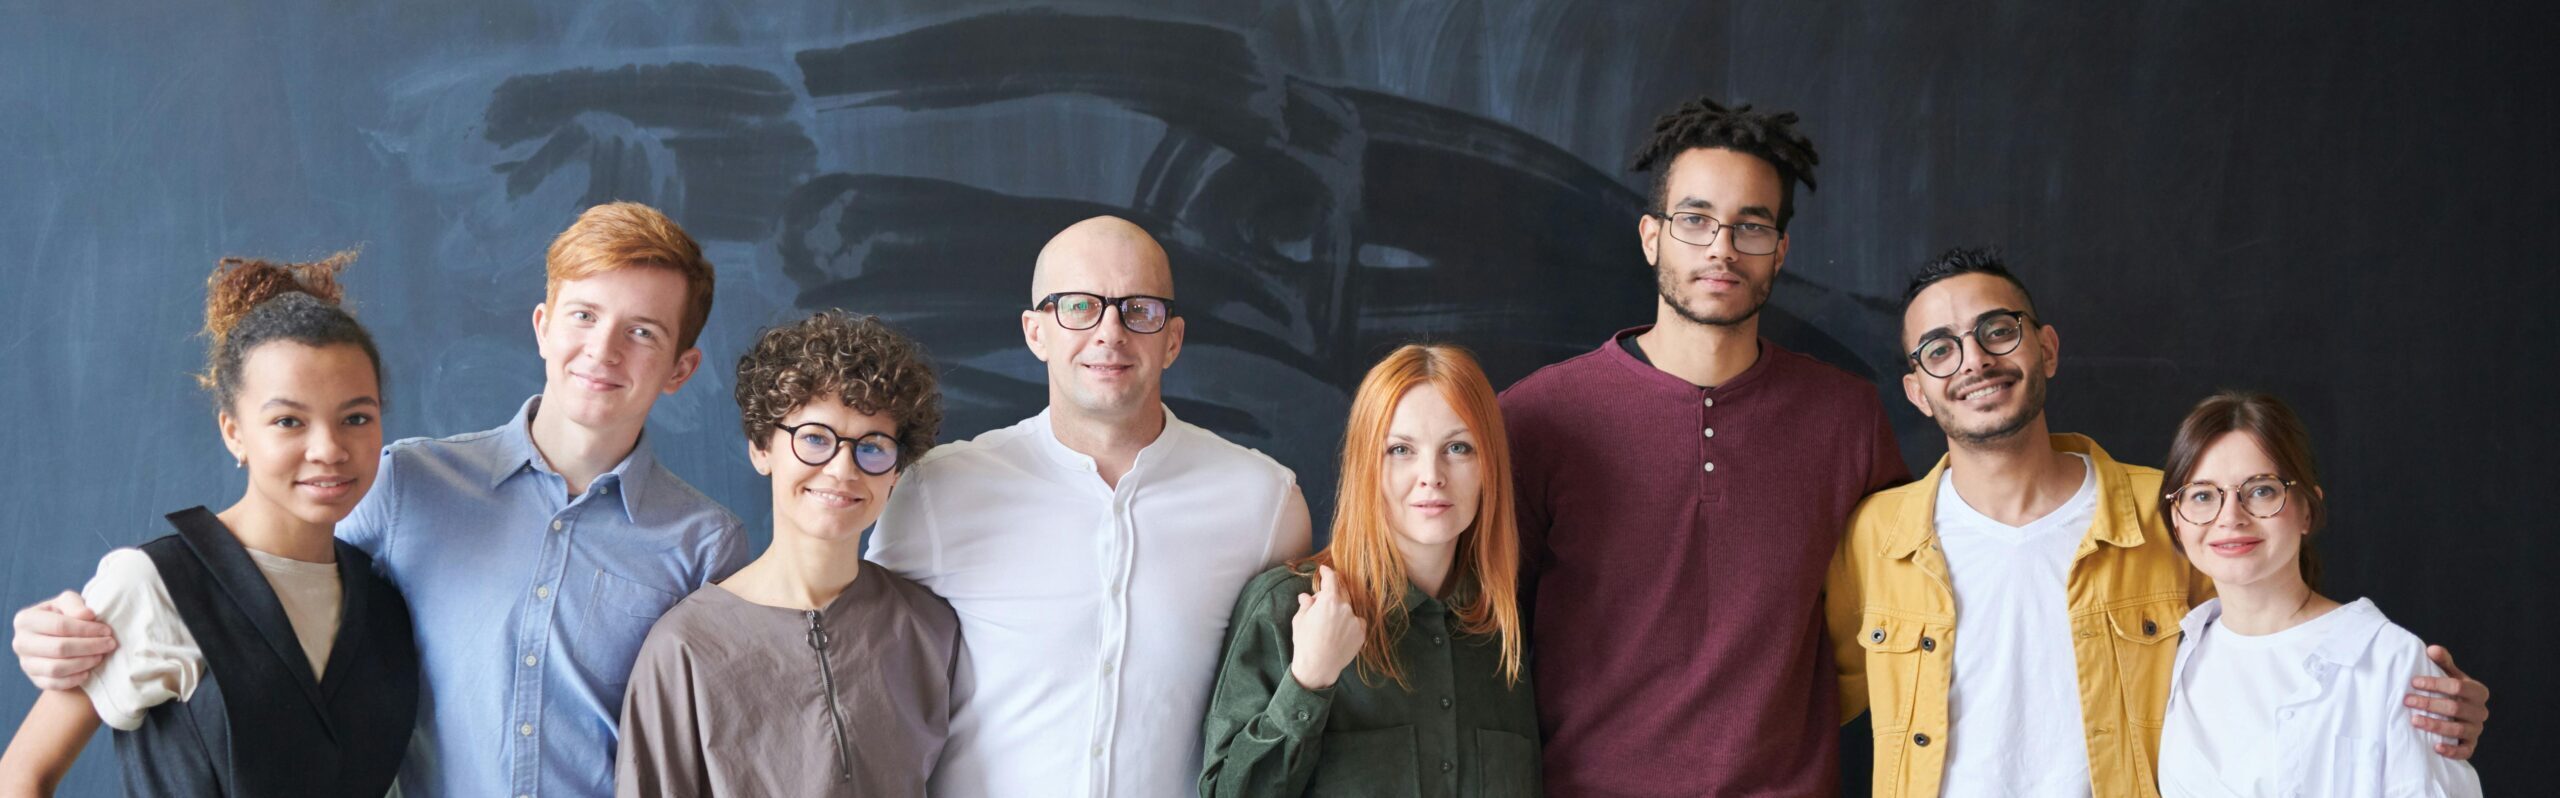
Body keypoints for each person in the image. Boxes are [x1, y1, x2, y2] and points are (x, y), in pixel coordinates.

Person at [11, 202, 751, 798]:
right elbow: (260, 573)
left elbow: (712, 749)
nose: (604, 349)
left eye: (642, 332)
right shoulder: (407, 484)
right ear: (542, 327)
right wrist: (74, 627)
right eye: (584, 315)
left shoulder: (705, 546)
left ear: (681, 369)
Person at [1825, 249, 2490, 796]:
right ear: (1916, 390)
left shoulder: (2169, 513)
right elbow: (1804, 703)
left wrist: (2412, 692)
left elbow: (2272, 645)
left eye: (1998, 331)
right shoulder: (1877, 536)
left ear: (2046, 349)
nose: (1974, 360)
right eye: (1939, 350)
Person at [1499, 97, 1906, 795]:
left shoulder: (1847, 417)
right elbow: (1482, 630)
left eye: (1751, 226)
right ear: (1651, 237)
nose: (1722, 247)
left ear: (1780, 252)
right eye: (1695, 220)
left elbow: (1900, 614)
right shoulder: (1538, 417)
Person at [864, 216, 1313, 797]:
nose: (1110, 332)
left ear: (1172, 339)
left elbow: (1279, 717)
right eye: (1079, 306)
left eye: (1139, 309)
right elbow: (867, 687)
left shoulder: (1264, 502)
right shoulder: (936, 491)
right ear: (1036, 332)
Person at [0, 254, 417, 796]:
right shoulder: (157, 583)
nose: (329, 449)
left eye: (356, 418)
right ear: (234, 432)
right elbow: (22, 775)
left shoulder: (383, 601)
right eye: (288, 421)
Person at [614, 311, 961, 795]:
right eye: (815, 438)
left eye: (873, 446)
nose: (842, 469)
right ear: (762, 449)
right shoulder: (684, 648)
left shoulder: (930, 628)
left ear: (896, 472)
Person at [1200, 344, 1539, 796]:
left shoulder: (1503, 631)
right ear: (1366, 467)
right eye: (1400, 449)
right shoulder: (1285, 608)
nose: (1432, 475)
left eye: (1458, 448)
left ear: (1489, 467)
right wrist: (1308, 681)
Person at [2155, 392, 2481, 796]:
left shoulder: (2391, 662)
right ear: (2176, 521)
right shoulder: (2176, 655)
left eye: (2261, 490)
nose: (2231, 517)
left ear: (2307, 510)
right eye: (2203, 495)